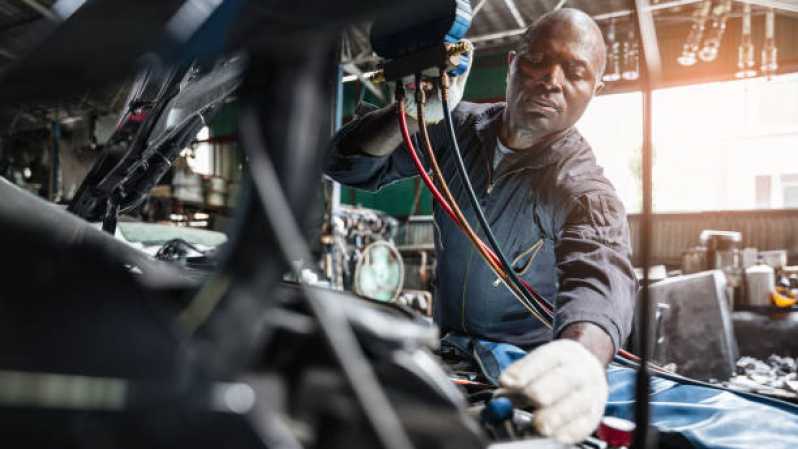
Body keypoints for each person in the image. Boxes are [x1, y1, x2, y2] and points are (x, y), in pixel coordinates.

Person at [325, 8, 636, 443]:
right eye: (538, 60)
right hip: (448, 354)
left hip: (523, 373)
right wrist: (409, 117)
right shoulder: (453, 128)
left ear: (594, 90)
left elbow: (601, 278)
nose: (551, 79)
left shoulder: (581, 187)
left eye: (575, 71)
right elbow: (346, 165)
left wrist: (582, 357)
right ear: (512, 65)